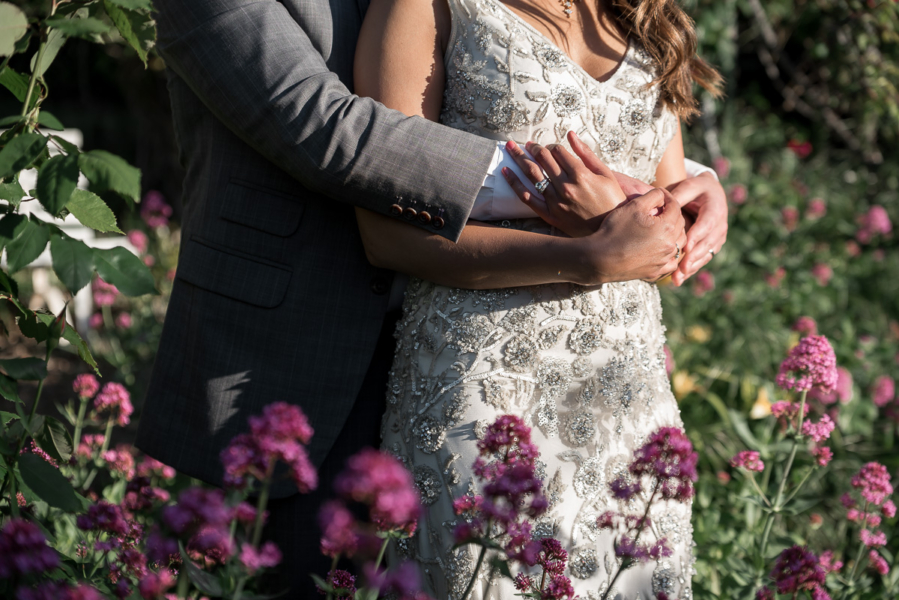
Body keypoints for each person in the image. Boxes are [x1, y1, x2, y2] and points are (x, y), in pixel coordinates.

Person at [135, 0, 727, 595]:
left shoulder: (636, 15)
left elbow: (581, 108)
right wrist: (589, 215)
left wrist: (691, 193)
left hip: (594, 384)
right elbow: (330, 128)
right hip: (319, 348)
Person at [354, 0, 723, 596]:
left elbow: (659, 220)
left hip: (627, 399)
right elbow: (387, 232)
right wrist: (589, 259)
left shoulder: (646, 17)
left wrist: (705, 195)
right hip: (484, 387)